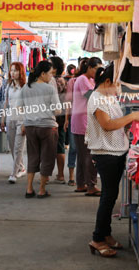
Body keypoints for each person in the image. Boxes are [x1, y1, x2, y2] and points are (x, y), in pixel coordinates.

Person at [86, 64, 139, 257]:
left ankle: (105, 234)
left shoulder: (109, 97)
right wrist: (131, 117)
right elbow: (107, 125)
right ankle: (97, 238)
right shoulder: (97, 99)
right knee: (108, 197)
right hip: (106, 154)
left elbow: (115, 124)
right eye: (117, 84)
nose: (119, 89)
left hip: (116, 152)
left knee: (110, 197)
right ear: (108, 81)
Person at [19, 60, 62, 199]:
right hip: (47, 127)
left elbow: (20, 107)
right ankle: (42, 190)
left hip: (30, 127)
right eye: (50, 74)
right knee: (47, 158)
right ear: (43, 73)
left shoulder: (26, 87)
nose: (51, 77)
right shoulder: (49, 88)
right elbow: (57, 110)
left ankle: (29, 189)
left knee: (32, 157)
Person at [71, 57, 103, 196]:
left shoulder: (89, 80)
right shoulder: (83, 79)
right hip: (83, 121)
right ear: (90, 67)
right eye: (96, 69)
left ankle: (81, 184)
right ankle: (91, 185)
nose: (98, 72)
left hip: (82, 120)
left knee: (82, 155)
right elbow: (92, 96)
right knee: (89, 155)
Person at [0, 62, 27, 184]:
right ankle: (21, 167)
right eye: (11, 70)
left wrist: (25, 123)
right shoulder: (9, 86)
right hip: (10, 118)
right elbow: (6, 103)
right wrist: (2, 119)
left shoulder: (25, 87)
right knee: (12, 146)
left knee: (18, 148)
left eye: (15, 70)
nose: (13, 73)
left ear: (20, 72)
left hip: (21, 119)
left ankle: (14, 173)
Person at [63, 58, 88, 186]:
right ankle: (72, 175)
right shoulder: (73, 81)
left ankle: (82, 178)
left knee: (86, 150)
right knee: (73, 148)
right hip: (76, 119)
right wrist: (67, 119)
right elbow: (68, 101)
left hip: (89, 120)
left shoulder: (93, 81)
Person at [49, 56, 67, 184]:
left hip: (55, 118)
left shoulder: (55, 81)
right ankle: (59, 174)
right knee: (58, 146)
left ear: (54, 68)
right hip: (59, 118)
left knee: (55, 147)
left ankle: (59, 174)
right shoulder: (61, 80)